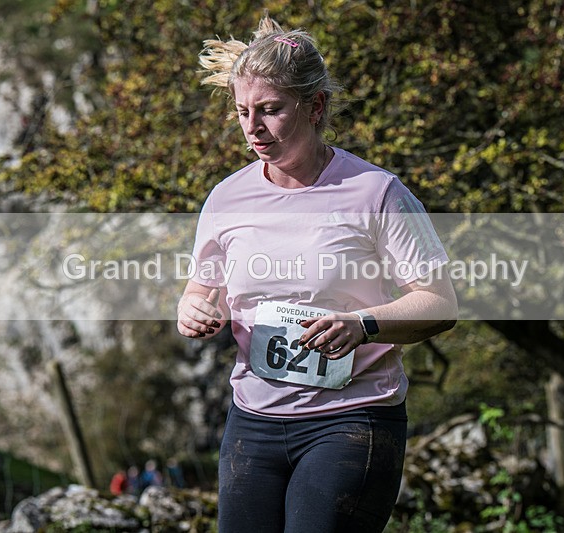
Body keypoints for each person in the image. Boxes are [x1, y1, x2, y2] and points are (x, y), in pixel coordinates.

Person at [177, 14, 457, 533]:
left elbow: (440, 304)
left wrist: (362, 325)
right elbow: (201, 289)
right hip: (253, 421)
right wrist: (191, 309)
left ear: (316, 106)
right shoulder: (226, 197)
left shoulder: (377, 192)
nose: (253, 127)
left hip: (352, 418)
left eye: (270, 110)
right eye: (242, 111)